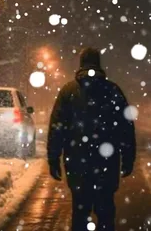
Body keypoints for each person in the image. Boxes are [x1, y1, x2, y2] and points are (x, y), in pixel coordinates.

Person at [47, 47, 136, 231]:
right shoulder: (113, 90)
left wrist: (54, 158)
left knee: (80, 212)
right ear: (98, 63)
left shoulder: (68, 91)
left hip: (77, 163)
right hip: (107, 163)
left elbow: (57, 126)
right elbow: (125, 128)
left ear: (81, 64)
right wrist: (128, 158)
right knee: (106, 213)